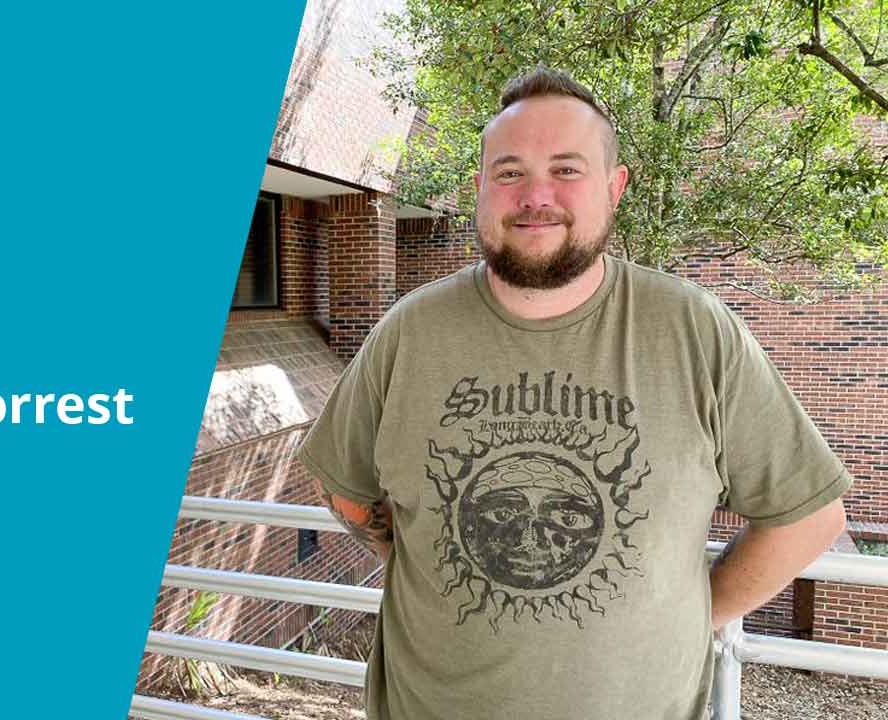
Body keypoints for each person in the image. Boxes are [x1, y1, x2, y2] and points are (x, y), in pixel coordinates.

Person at [296, 66, 850, 720]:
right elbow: (344, 484)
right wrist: (422, 555)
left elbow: (809, 515)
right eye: (509, 172)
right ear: (480, 189)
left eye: (566, 169)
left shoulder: (696, 332)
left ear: (612, 188)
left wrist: (693, 611)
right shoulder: (408, 333)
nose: (536, 195)